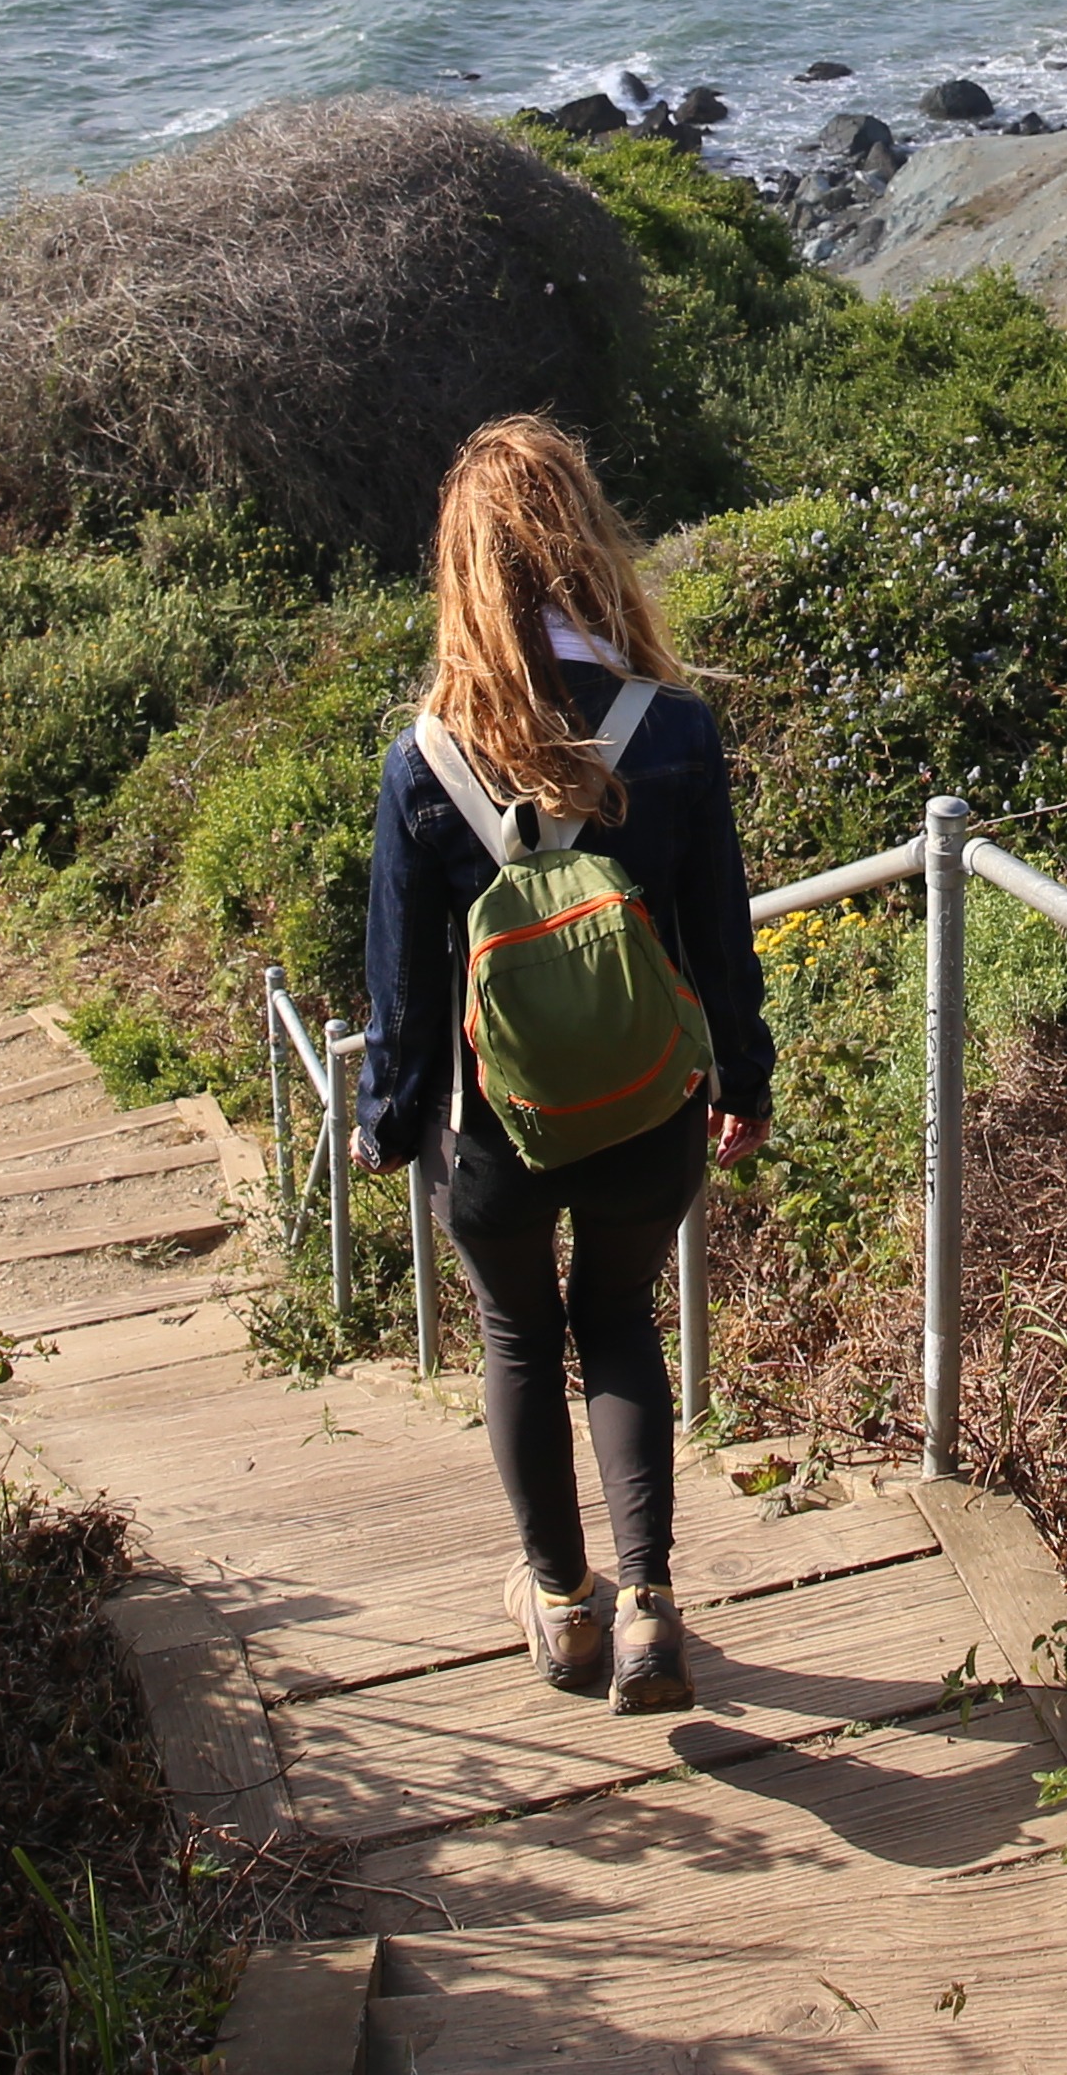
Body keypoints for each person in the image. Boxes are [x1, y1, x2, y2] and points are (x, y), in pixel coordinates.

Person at [354, 415, 774, 1717]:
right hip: (649, 1107)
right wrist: (744, 1085)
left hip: (495, 1128)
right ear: (589, 543)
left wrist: (387, 1118)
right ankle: (650, 1602)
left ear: (462, 569)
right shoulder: (676, 733)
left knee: (521, 1339)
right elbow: (719, 942)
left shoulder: (422, 763)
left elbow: (404, 985)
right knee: (621, 1329)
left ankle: (561, 1604)